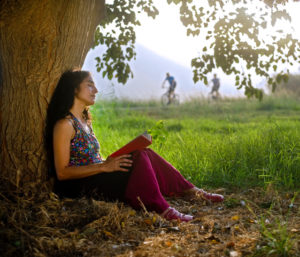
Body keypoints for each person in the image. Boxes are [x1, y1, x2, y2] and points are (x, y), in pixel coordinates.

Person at [45, 69, 224, 222]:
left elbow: (91, 159)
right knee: (140, 155)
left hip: (97, 174)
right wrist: (104, 166)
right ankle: (161, 208)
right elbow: (62, 172)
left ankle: (190, 191)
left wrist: (108, 162)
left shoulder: (84, 121)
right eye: (90, 85)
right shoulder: (64, 125)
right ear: (74, 89)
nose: (96, 90)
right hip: (80, 186)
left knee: (143, 151)